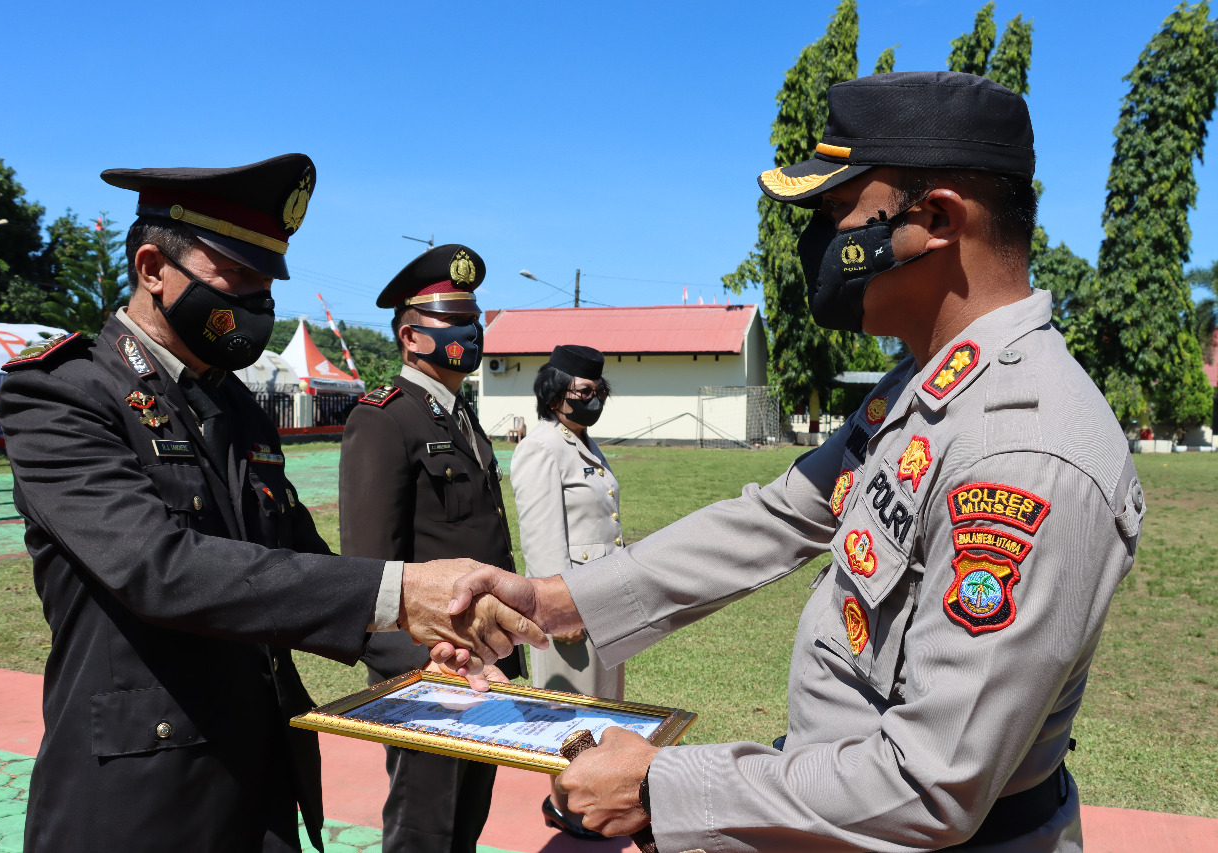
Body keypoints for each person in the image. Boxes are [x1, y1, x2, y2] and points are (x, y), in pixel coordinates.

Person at [441, 72, 1146, 852]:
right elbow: (780, 514)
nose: (820, 243)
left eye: (838, 212)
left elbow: (931, 784)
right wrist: (549, 601)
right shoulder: (926, 383)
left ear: (938, 218)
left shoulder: (1021, 451)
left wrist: (657, 788)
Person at [0, 157, 544, 853]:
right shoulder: (64, 394)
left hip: (260, 781)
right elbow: (160, 568)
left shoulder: (234, 404)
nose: (259, 302)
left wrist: (436, 656)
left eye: (268, 281)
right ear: (152, 267)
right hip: (139, 795)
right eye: (239, 276)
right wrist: (404, 588)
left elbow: (296, 560)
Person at [338, 243, 523, 853]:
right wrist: (415, 668)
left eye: (473, 318)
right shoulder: (384, 419)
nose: (470, 332)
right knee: (424, 831)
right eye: (453, 319)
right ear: (411, 336)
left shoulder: (460, 414)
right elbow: (368, 567)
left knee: (467, 822)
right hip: (430, 673)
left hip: (488, 663)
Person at [510, 344, 624, 839]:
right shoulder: (542, 447)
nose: (593, 398)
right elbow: (540, 540)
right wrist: (559, 611)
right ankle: (565, 805)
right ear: (556, 392)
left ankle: (592, 801)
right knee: (568, 709)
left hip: (604, 599)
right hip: (572, 603)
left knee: (600, 706)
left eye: (599, 390)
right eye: (584, 390)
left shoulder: (582, 442)